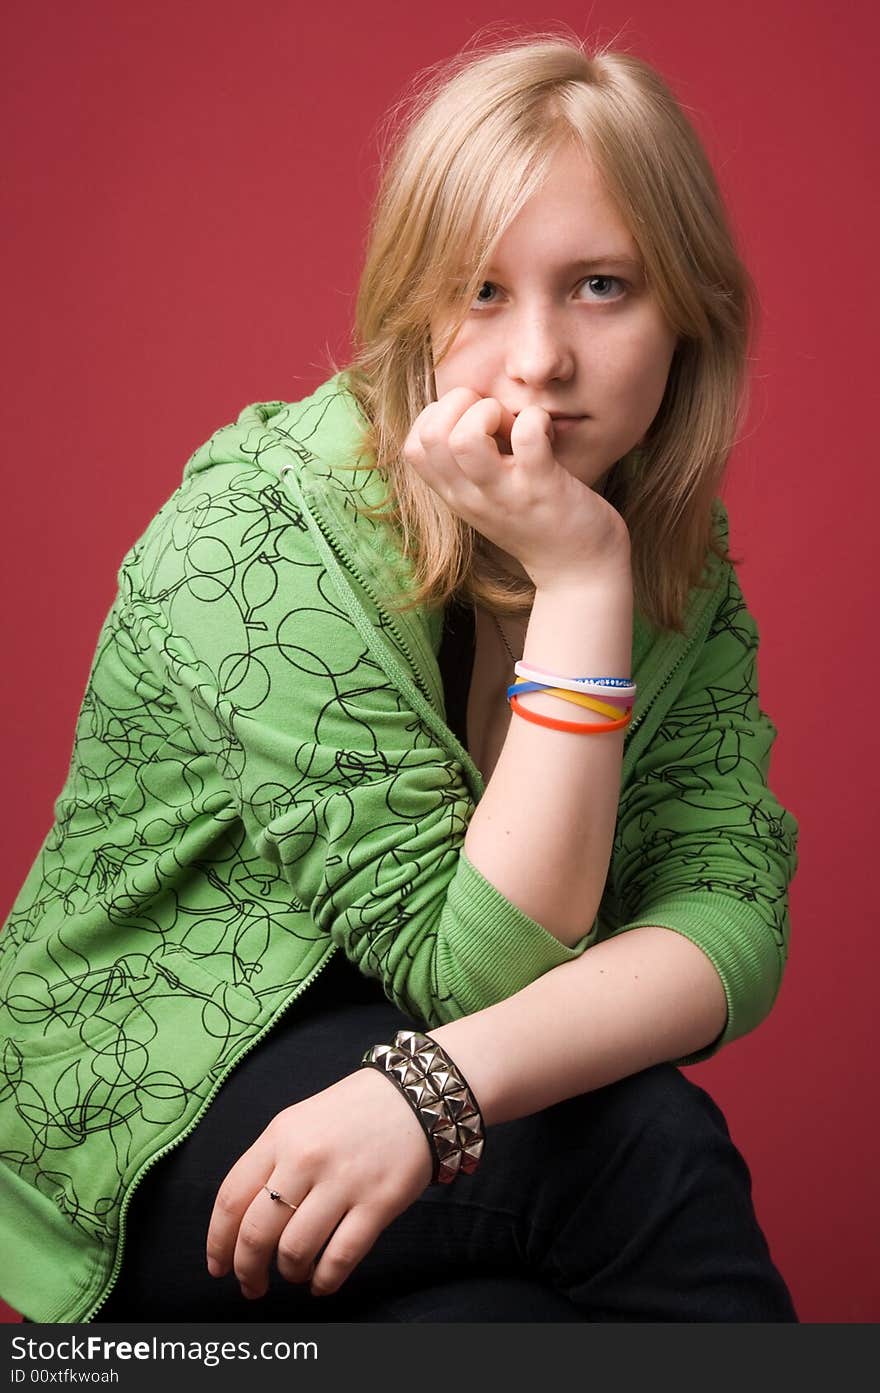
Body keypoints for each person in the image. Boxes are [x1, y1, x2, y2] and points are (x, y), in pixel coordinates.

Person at [0, 31, 800, 1324]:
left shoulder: (677, 562)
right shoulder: (257, 543)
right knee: (643, 1148)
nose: (538, 359)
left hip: (400, 1115)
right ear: (415, 312)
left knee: (498, 1332)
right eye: (482, 293)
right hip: (154, 1125)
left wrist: (425, 1092)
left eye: (600, 285)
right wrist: (581, 586)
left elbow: (733, 918)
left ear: (691, 311)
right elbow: (478, 972)